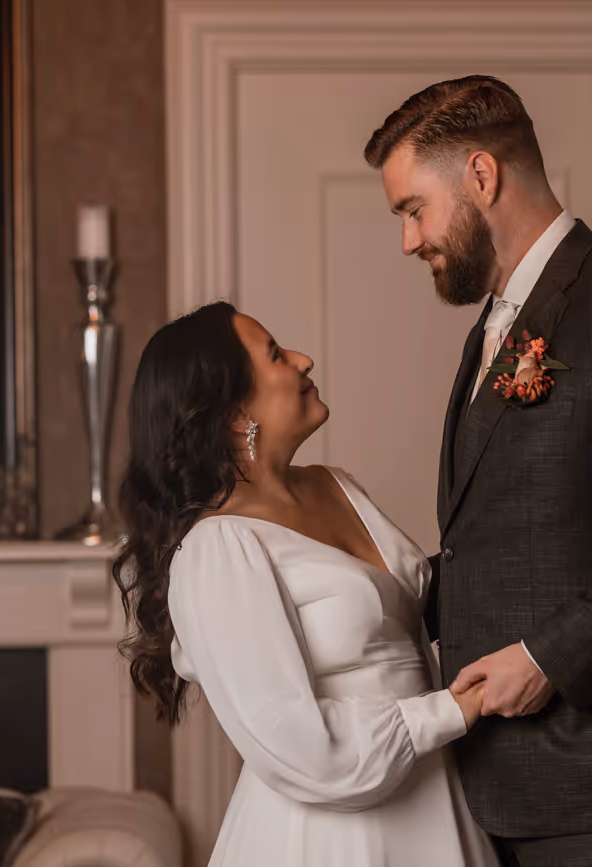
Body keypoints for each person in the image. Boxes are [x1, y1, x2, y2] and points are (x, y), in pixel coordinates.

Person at [363, 75, 592, 865]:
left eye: (414, 209)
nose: (408, 240)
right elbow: (505, 536)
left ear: (481, 175)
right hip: (498, 790)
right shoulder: (495, 323)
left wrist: (548, 657)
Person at [114, 301, 498, 867]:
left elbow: (405, 610)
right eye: (275, 354)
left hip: (441, 803)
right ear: (233, 413)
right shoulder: (217, 550)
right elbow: (298, 743)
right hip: (329, 835)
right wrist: (457, 708)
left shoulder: (336, 485)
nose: (303, 359)